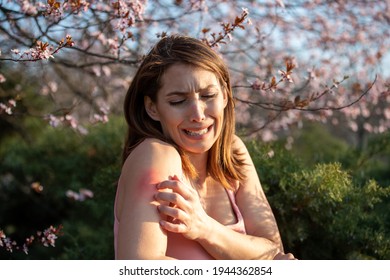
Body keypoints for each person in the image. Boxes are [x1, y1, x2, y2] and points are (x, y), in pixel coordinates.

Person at [114, 34, 296, 260]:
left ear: (225, 97)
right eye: (178, 101)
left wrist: (205, 228)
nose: (198, 115)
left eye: (208, 95)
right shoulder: (156, 155)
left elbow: (272, 251)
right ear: (152, 108)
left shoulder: (233, 152)